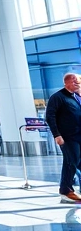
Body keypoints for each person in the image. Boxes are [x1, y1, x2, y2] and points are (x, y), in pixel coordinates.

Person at [45, 73, 81, 203]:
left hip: (78, 135)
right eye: (75, 82)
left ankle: (67, 189)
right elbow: (50, 116)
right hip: (67, 136)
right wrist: (57, 134)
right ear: (66, 83)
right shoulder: (58, 97)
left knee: (73, 162)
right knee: (72, 161)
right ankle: (66, 190)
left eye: (79, 82)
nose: (78, 84)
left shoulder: (76, 97)